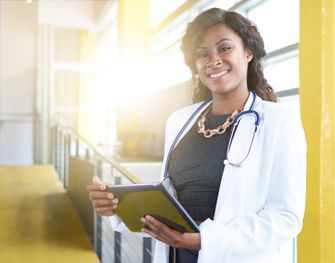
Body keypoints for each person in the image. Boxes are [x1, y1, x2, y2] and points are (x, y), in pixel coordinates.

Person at [87, 7, 306, 263]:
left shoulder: (279, 121)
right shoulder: (179, 121)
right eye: (202, 54)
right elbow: (169, 202)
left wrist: (206, 240)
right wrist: (118, 207)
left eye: (224, 48)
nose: (213, 60)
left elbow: (285, 219)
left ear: (248, 52)